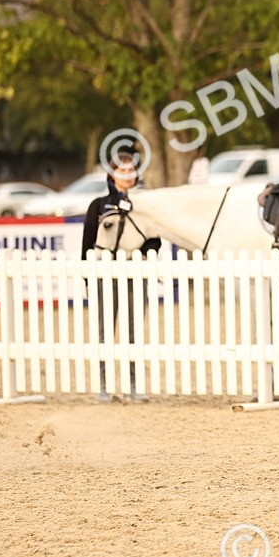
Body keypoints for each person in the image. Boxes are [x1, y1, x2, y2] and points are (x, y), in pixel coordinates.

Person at [81, 153, 160, 402]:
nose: (127, 176)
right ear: (112, 173)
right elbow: (87, 242)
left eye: (131, 171)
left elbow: (154, 237)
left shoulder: (145, 205)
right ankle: (103, 386)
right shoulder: (98, 205)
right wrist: (87, 277)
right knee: (105, 331)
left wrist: (148, 253)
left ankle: (134, 385)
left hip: (135, 273)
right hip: (106, 273)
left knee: (133, 331)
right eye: (122, 171)